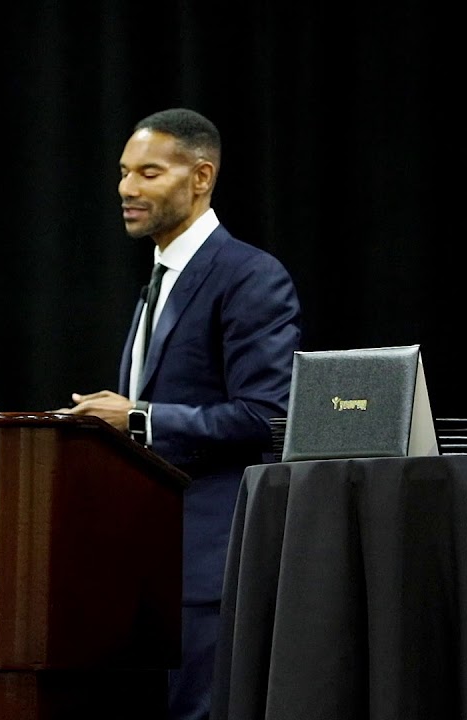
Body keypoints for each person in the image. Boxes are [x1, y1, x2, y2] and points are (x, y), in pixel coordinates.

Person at [59, 108, 301, 719]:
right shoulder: (161, 277)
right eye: (123, 172)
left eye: (148, 173)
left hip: (210, 560)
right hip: (148, 558)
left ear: (200, 177)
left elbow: (267, 415)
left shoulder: (249, 276)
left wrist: (139, 419)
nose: (127, 188)